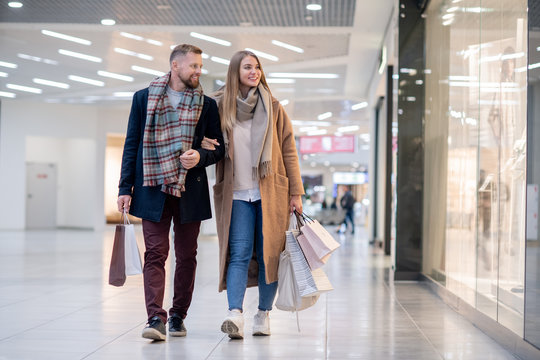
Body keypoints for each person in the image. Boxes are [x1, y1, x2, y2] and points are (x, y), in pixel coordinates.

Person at [117, 44, 225, 341]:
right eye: (193, 66)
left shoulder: (207, 104)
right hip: (152, 187)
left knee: (187, 255)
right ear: (175, 66)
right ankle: (155, 317)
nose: (198, 71)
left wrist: (199, 157)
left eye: (200, 66)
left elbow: (219, 150)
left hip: (190, 188)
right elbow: (132, 145)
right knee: (155, 252)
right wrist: (125, 187)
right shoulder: (144, 98)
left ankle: (178, 316)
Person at [201, 50, 304, 339]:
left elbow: (288, 151)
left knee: (269, 253)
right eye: (248, 67)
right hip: (236, 194)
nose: (254, 72)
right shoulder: (218, 106)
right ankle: (235, 314)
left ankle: (263, 314)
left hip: (270, 193)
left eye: (257, 67)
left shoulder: (273, 106)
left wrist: (296, 192)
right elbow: (208, 141)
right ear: (235, 71)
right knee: (239, 253)